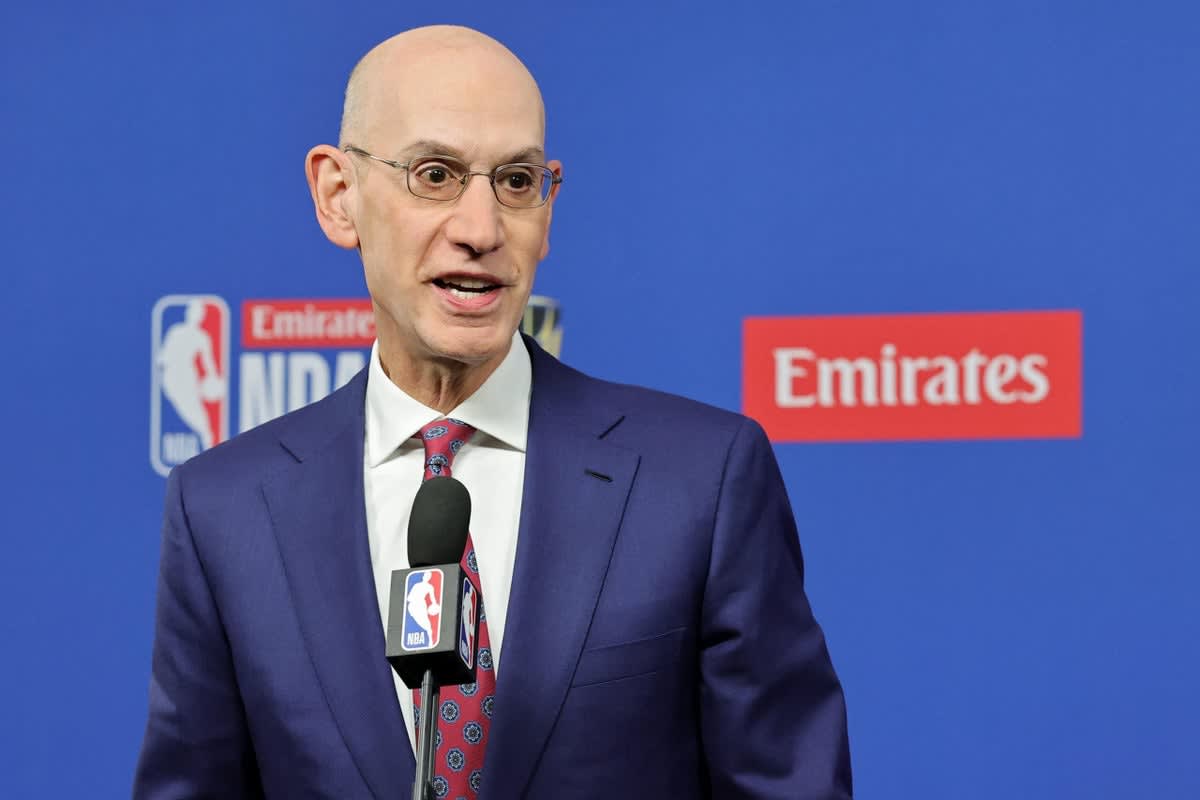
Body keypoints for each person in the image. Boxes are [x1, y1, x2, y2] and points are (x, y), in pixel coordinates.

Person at [134, 25, 852, 799]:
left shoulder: (701, 480)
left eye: (515, 181)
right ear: (338, 196)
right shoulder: (224, 509)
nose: (481, 230)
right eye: (435, 175)